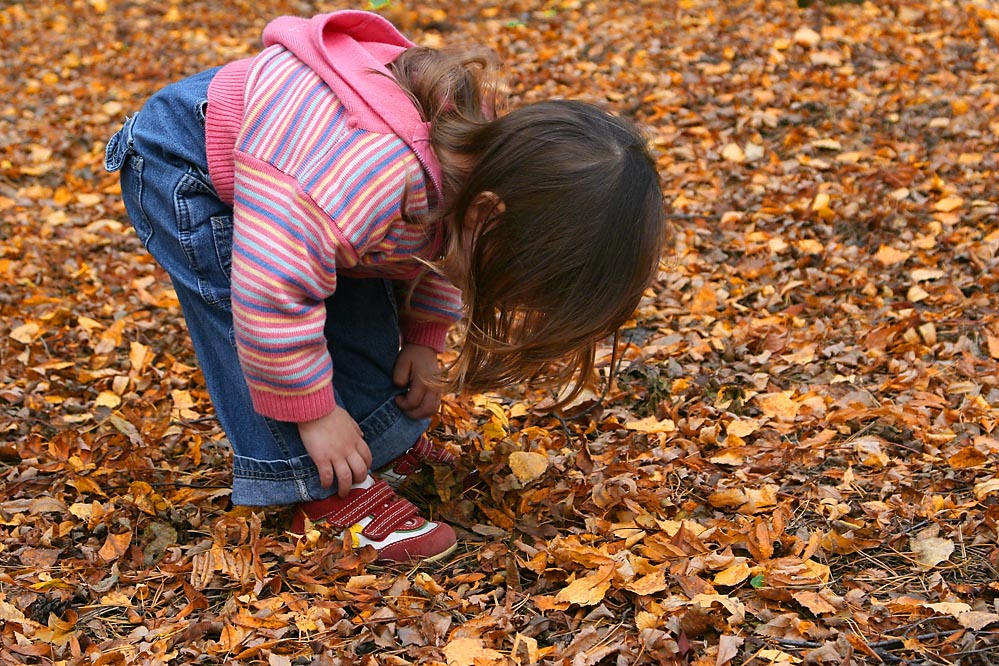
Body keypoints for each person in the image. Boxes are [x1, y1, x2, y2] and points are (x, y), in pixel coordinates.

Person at [104, 10, 666, 563]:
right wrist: (314, 413)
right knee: (249, 305)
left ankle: (372, 438)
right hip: (187, 162)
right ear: (490, 215)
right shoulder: (372, 181)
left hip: (308, 174)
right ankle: (316, 487)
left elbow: (446, 252)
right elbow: (270, 300)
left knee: (363, 273)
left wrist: (426, 336)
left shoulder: (476, 176)